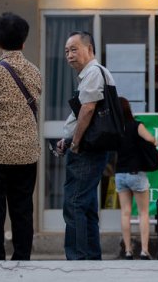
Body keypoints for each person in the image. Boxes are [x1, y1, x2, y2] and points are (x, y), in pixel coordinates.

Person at [0, 12, 41, 260]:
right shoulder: (34, 72)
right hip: (26, 151)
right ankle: (23, 257)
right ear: (24, 42)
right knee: (23, 208)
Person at [55, 31, 115, 260]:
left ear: (89, 49)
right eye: (66, 51)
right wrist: (67, 138)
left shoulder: (93, 73)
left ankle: (78, 261)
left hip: (87, 150)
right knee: (87, 206)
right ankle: (90, 258)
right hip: (88, 148)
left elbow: (88, 109)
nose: (69, 55)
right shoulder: (93, 74)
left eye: (74, 49)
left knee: (75, 203)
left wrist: (76, 143)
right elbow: (81, 113)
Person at [115, 97, 158, 260]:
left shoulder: (116, 128)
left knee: (125, 213)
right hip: (136, 173)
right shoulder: (136, 125)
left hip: (120, 174)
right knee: (143, 213)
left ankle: (127, 250)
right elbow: (151, 139)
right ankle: (144, 250)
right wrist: (153, 141)